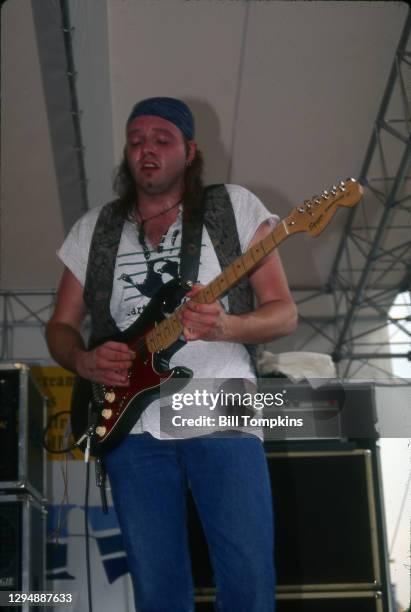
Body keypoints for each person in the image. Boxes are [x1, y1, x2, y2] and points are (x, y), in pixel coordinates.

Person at [46, 97, 297, 612]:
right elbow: (61, 326)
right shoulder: (94, 229)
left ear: (190, 150)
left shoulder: (233, 207)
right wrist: (85, 362)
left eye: (162, 140)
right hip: (131, 424)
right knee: (158, 591)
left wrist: (226, 325)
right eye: (136, 141)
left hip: (221, 406)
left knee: (247, 578)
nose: (147, 151)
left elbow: (284, 314)